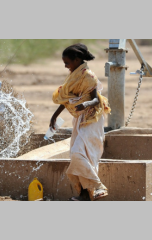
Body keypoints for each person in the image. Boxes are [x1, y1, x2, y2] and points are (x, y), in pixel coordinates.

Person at [50, 43, 111, 201]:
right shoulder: (73, 75)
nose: (65, 66)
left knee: (80, 153)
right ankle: (85, 194)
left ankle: (97, 186)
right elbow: (67, 98)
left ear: (77, 60)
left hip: (92, 118)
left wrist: (86, 104)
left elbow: (96, 99)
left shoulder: (88, 76)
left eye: (67, 63)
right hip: (79, 118)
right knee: (78, 155)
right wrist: (54, 116)